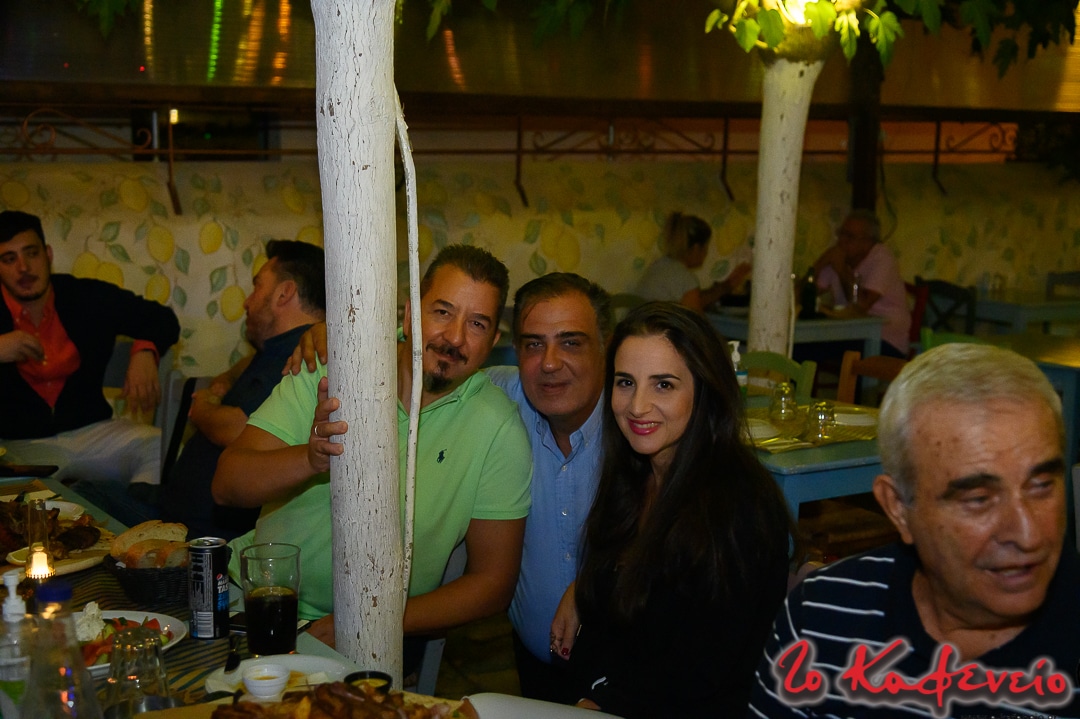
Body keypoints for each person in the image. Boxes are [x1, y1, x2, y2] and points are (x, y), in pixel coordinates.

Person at [285, 272, 609, 703]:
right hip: (538, 674)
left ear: (606, 347)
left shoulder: (637, 423)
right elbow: (438, 354)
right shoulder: (503, 394)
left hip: (636, 671)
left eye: (571, 342)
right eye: (533, 344)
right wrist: (341, 336)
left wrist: (595, 578)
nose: (549, 362)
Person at [212, 244, 532, 673]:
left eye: (477, 324)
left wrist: (372, 621)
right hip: (257, 602)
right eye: (442, 312)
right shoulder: (334, 365)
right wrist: (311, 458)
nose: (455, 337)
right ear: (409, 314)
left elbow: (493, 583)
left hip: (376, 638)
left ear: (493, 342)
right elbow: (227, 485)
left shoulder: (498, 427)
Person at [747, 343, 1080, 718]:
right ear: (898, 508)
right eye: (978, 500)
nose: (1028, 534)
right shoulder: (821, 619)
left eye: (1042, 487)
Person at [551, 302, 793, 718]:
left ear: (705, 392)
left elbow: (701, 673)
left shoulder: (737, 508)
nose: (637, 406)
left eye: (663, 385)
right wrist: (583, 589)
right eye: (625, 382)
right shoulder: (636, 475)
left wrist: (596, 703)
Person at [153, 240, 326, 539]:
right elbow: (242, 370)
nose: (247, 302)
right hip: (173, 515)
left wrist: (202, 409)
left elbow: (241, 429)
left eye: (257, 286)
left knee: (82, 496)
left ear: (284, 293)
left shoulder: (302, 355)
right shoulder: (276, 350)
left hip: (197, 535)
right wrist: (224, 382)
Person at [0, 209, 179, 488]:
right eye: (9, 259)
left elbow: (162, 318)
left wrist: (145, 351)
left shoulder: (85, 296)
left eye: (31, 253)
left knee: (163, 449)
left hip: (92, 431)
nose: (23, 267)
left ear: (48, 255)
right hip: (17, 445)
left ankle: (132, 511)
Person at [812, 209, 910, 357]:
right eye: (841, 234)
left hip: (884, 341)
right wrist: (820, 263)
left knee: (809, 349)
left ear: (867, 242)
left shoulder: (882, 258)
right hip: (849, 334)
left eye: (849, 236)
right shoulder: (839, 255)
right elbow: (805, 294)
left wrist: (841, 269)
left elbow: (861, 306)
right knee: (798, 346)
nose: (842, 240)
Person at [636, 211, 750, 313]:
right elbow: (695, 319)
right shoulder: (685, 277)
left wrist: (725, 286)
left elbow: (692, 299)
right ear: (696, 248)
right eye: (705, 248)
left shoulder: (659, 266)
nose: (705, 254)